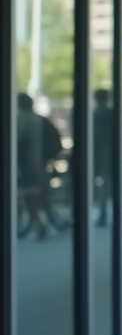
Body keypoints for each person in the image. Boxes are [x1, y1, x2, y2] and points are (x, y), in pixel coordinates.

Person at [16, 92, 63, 239]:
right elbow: (56, 142)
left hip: (22, 166)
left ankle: (38, 223)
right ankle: (43, 220)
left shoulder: (17, 120)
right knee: (40, 193)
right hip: (39, 163)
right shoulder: (41, 120)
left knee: (27, 196)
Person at [93, 89, 115, 226]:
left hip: (95, 152)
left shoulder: (94, 115)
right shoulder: (111, 114)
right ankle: (102, 210)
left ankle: (101, 211)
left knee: (98, 182)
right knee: (107, 182)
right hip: (108, 152)